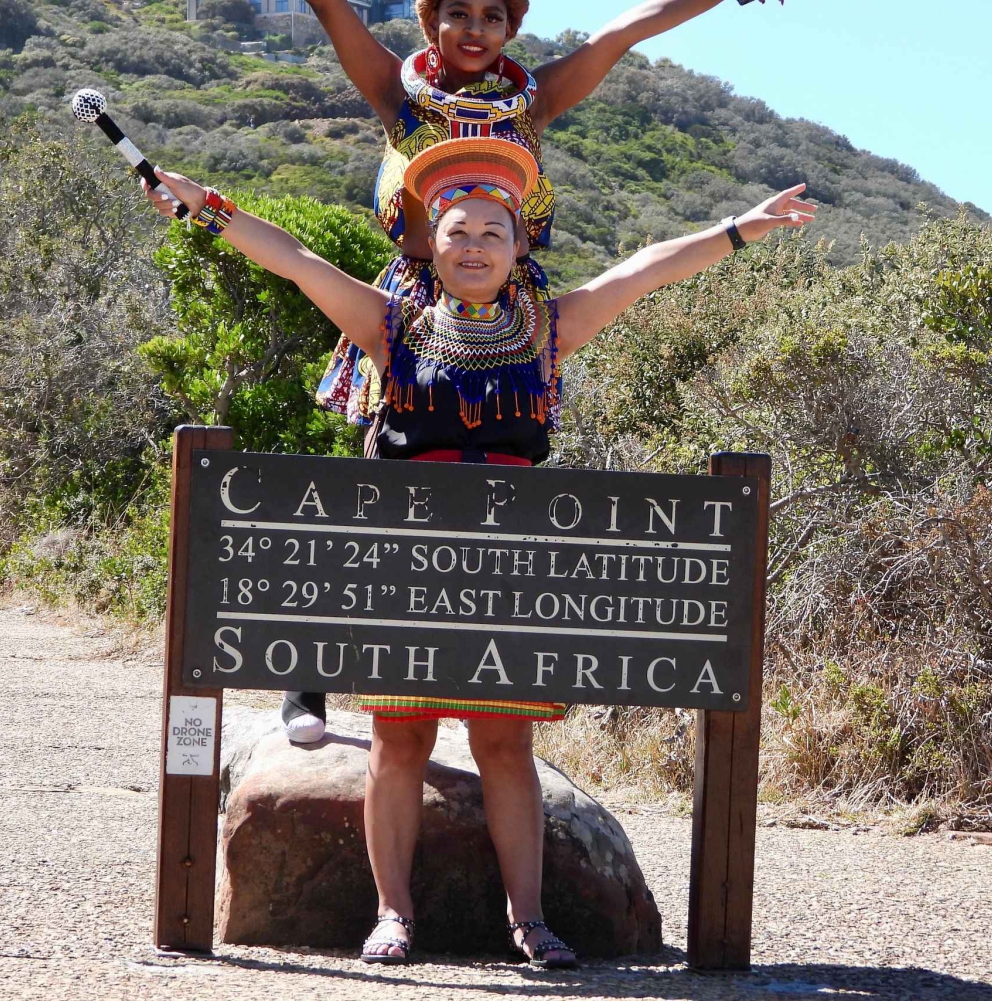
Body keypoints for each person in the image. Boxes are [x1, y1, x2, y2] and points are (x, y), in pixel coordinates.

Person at [143, 137, 814, 966]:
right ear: (431, 240)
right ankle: (394, 913)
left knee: (505, 746)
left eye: (493, 234)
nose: (473, 247)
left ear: (519, 247)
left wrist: (739, 229)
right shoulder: (392, 326)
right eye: (457, 231)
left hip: (509, 577)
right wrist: (202, 203)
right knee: (399, 742)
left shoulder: (548, 329)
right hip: (410, 571)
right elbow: (295, 259)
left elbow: (642, 271)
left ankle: (529, 919)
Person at [279, 0, 779, 743]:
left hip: (507, 301)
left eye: (492, 15)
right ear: (430, 22)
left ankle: (489, 668)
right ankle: (310, 682)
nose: (475, 30)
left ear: (512, 28)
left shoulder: (534, 99)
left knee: (507, 464)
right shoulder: (398, 89)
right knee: (380, 476)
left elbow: (622, 31)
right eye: (458, 13)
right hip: (416, 300)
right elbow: (333, 10)